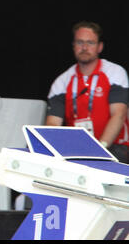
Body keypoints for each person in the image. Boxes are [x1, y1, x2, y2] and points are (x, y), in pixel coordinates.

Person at [46, 21, 129, 163]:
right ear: (73, 46)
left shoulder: (114, 72)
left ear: (100, 47)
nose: (84, 47)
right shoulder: (62, 82)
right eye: (80, 42)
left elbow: (119, 115)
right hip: (77, 151)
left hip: (114, 148)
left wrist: (100, 150)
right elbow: (53, 123)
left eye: (90, 43)